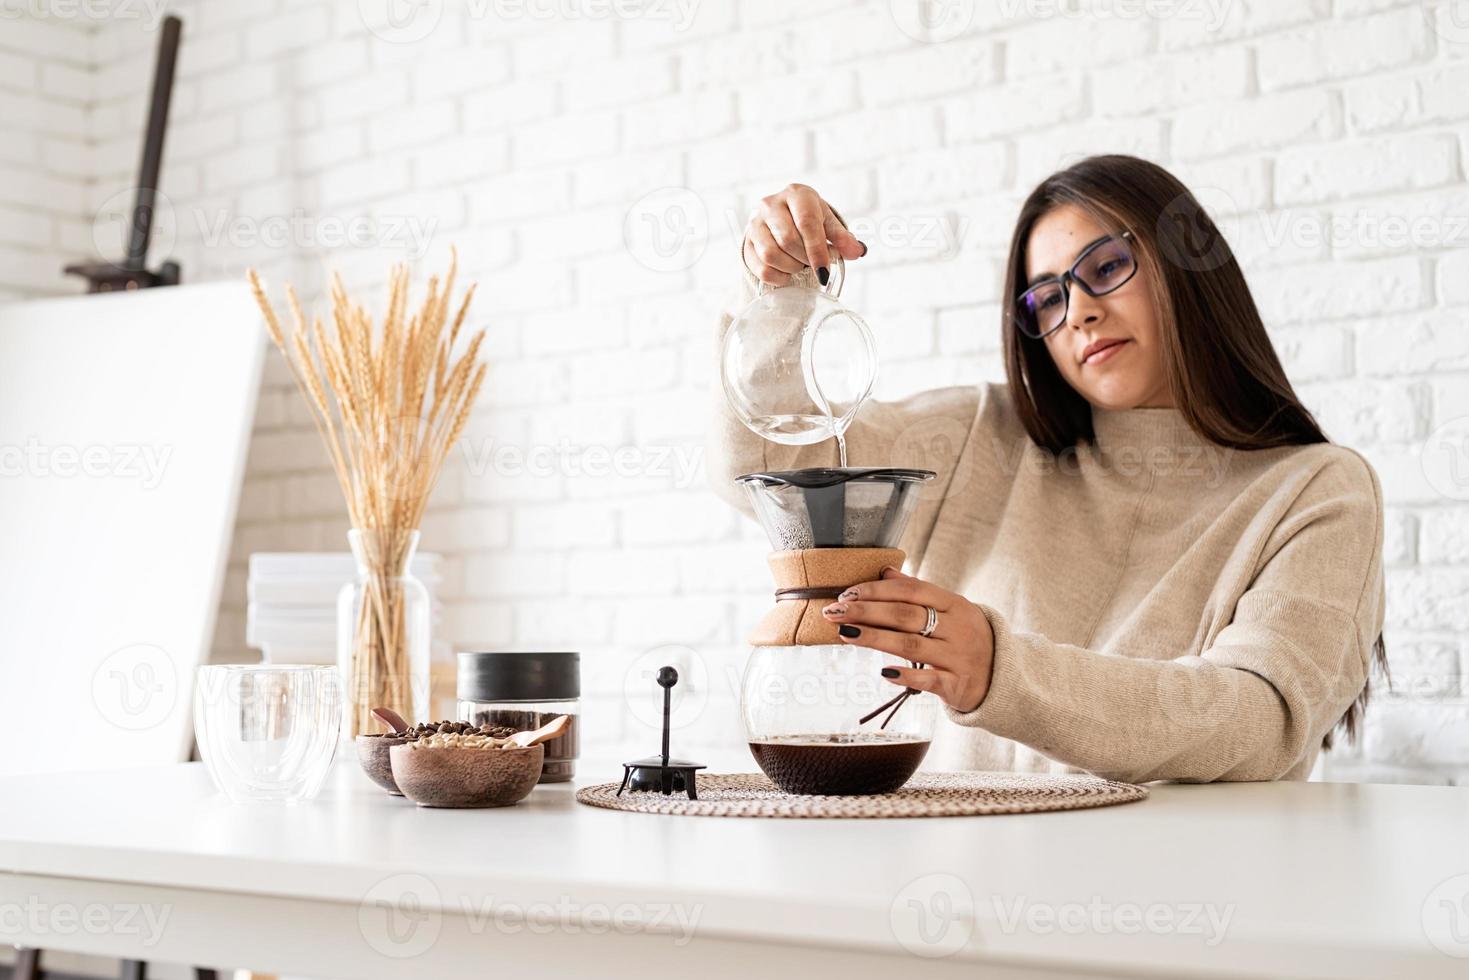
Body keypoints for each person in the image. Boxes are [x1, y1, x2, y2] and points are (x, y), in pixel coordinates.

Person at [708, 155, 1387, 783]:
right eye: (1048, 299)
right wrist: (775, 294)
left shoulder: (1316, 490)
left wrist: (998, 671)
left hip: (1182, 898)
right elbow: (769, 465)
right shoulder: (981, 436)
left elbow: (1257, 721)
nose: (1080, 313)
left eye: (1105, 268)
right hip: (957, 890)